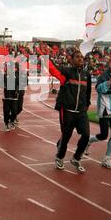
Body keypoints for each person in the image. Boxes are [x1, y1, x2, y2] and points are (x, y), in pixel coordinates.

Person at [40, 44, 92, 174]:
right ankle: (60, 157)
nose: (80, 59)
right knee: (66, 136)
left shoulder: (87, 75)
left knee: (86, 135)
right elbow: (52, 69)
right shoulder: (67, 72)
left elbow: (88, 92)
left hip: (81, 111)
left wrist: (86, 105)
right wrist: (45, 57)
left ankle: (76, 158)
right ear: (72, 60)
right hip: (67, 111)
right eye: (77, 57)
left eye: (81, 57)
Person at [2, 60, 19, 132]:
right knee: (6, 111)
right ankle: (6, 124)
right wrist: (4, 86)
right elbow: (0, 84)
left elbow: (19, 84)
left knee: (14, 111)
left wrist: (17, 91)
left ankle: (11, 120)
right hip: (6, 97)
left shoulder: (16, 76)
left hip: (14, 97)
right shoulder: (4, 76)